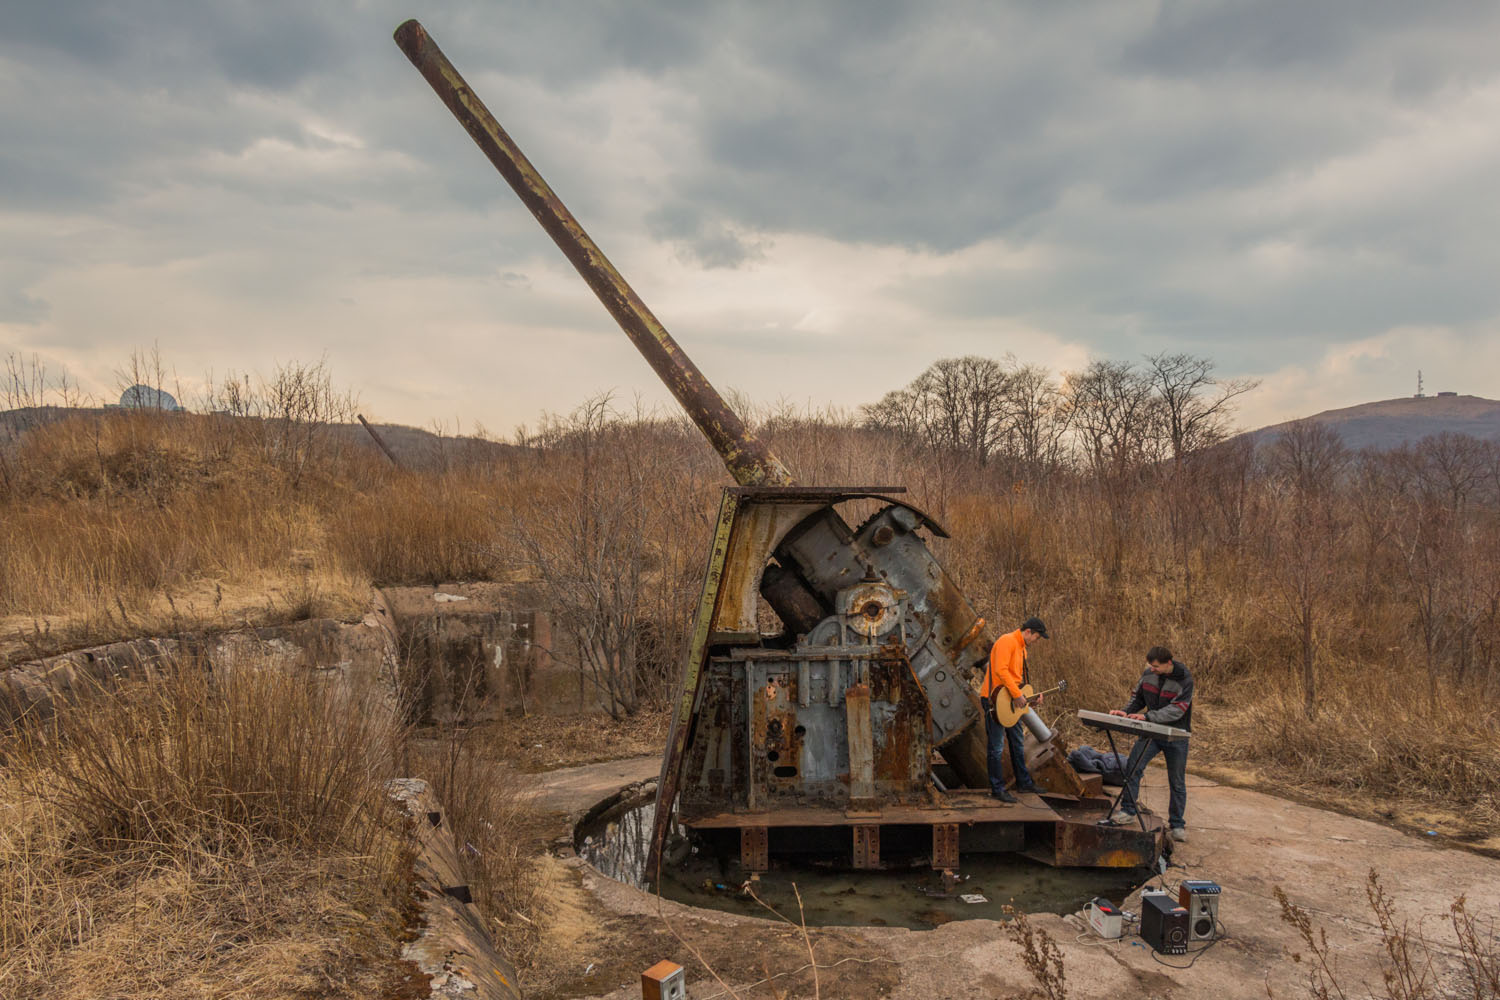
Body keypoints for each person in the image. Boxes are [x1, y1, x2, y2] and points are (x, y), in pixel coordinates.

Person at [1108, 645, 1193, 842]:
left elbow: (1176, 710)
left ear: (1168, 663)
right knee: (1133, 768)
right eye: (1150, 666)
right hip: (1151, 733)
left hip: (1176, 736)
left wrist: (1147, 717)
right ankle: (1128, 811)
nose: (1151, 669)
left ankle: (1178, 824)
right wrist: (1126, 711)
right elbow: (1137, 698)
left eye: (1155, 666)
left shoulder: (1185, 680)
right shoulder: (1148, 675)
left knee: (1177, 781)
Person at [980, 616, 1049, 802]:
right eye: (1036, 637)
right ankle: (997, 789)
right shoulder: (1007, 641)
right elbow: (1001, 671)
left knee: (1017, 741)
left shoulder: (1022, 649)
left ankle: (1024, 783)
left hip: (1010, 699)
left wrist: (1030, 696)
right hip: (994, 699)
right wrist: (1018, 695)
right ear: (1028, 632)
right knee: (996, 746)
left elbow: (1018, 679)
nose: (1036, 641)